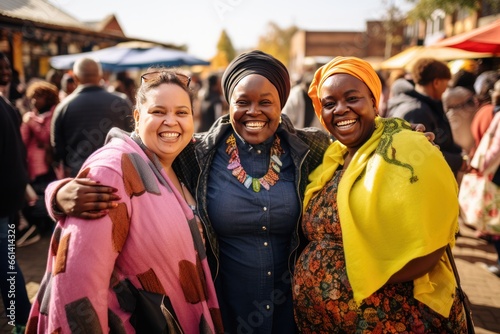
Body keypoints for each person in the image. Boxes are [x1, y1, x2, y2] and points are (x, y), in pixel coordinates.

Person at [43, 51, 432, 333]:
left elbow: (362, 142)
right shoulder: (195, 153)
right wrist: (57, 193)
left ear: (282, 104)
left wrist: (405, 142)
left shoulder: (310, 150)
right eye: (242, 102)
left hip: (294, 314)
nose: (254, 111)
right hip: (225, 312)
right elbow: (133, 147)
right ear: (228, 105)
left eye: (267, 102)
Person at [26, 69, 224, 333]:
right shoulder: (114, 169)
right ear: (137, 117)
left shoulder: (186, 161)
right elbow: (76, 286)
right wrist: (57, 194)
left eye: (181, 112)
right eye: (158, 111)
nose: (171, 121)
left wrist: (54, 193)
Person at [293, 56, 468, 332]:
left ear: (374, 102)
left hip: (390, 318)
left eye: (352, 98)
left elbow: (432, 242)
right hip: (327, 320)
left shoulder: (405, 148)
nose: (341, 109)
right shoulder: (332, 157)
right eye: (329, 103)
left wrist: (364, 278)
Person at [50, 57, 134, 177]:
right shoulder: (121, 102)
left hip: (80, 177)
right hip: (118, 172)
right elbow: (135, 137)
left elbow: (58, 149)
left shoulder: (63, 107)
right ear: (101, 76)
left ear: (75, 78)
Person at [387, 58, 464, 177]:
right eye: (446, 84)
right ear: (436, 83)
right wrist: (459, 162)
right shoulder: (417, 111)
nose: (447, 89)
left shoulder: (424, 106)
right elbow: (422, 154)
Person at [0, 53, 32, 334]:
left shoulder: (7, 106)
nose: (6, 71)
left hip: (4, 202)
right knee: (8, 263)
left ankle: (22, 319)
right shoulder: (7, 106)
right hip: (9, 199)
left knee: (7, 265)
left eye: (8, 66)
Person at [18, 80, 60, 246]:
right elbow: (23, 139)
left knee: (47, 193)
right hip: (35, 163)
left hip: (49, 164)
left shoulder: (52, 114)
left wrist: (31, 122)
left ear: (48, 98)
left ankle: (49, 225)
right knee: (38, 195)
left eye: (39, 96)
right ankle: (41, 227)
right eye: (33, 97)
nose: (35, 100)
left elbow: (46, 136)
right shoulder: (31, 116)